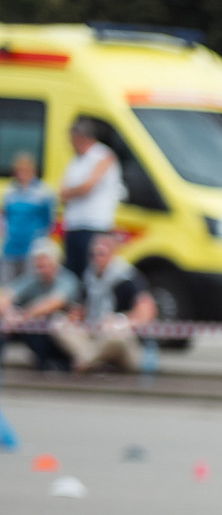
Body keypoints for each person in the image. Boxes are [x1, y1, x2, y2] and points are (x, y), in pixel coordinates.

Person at [53, 227, 155, 373]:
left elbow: (146, 313)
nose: (96, 257)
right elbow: (80, 310)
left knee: (115, 337)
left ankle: (87, 361)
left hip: (119, 337)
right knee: (59, 325)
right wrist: (73, 318)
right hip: (93, 333)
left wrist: (121, 320)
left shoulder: (128, 277)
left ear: (113, 252)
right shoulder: (88, 276)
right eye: (93, 253)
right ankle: (93, 361)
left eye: (101, 253)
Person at [58, 119, 124, 293]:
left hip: (95, 225)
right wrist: (73, 191)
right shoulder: (76, 160)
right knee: (72, 274)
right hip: (74, 224)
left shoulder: (102, 155)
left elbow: (87, 186)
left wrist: (71, 192)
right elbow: (62, 193)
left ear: (80, 137)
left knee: (92, 273)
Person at [5, 239, 75, 370]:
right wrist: (9, 313)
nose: (40, 269)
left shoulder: (67, 279)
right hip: (38, 333)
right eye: (38, 265)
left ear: (55, 263)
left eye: (44, 265)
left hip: (63, 336)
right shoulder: (33, 277)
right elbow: (5, 295)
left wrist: (24, 315)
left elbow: (54, 302)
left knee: (50, 324)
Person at [4, 153, 56, 287]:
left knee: (29, 285)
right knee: (8, 285)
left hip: (32, 247)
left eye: (25, 171)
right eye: (18, 171)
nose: (21, 174)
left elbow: (48, 220)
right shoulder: (10, 191)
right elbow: (6, 218)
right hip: (11, 246)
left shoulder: (43, 192)